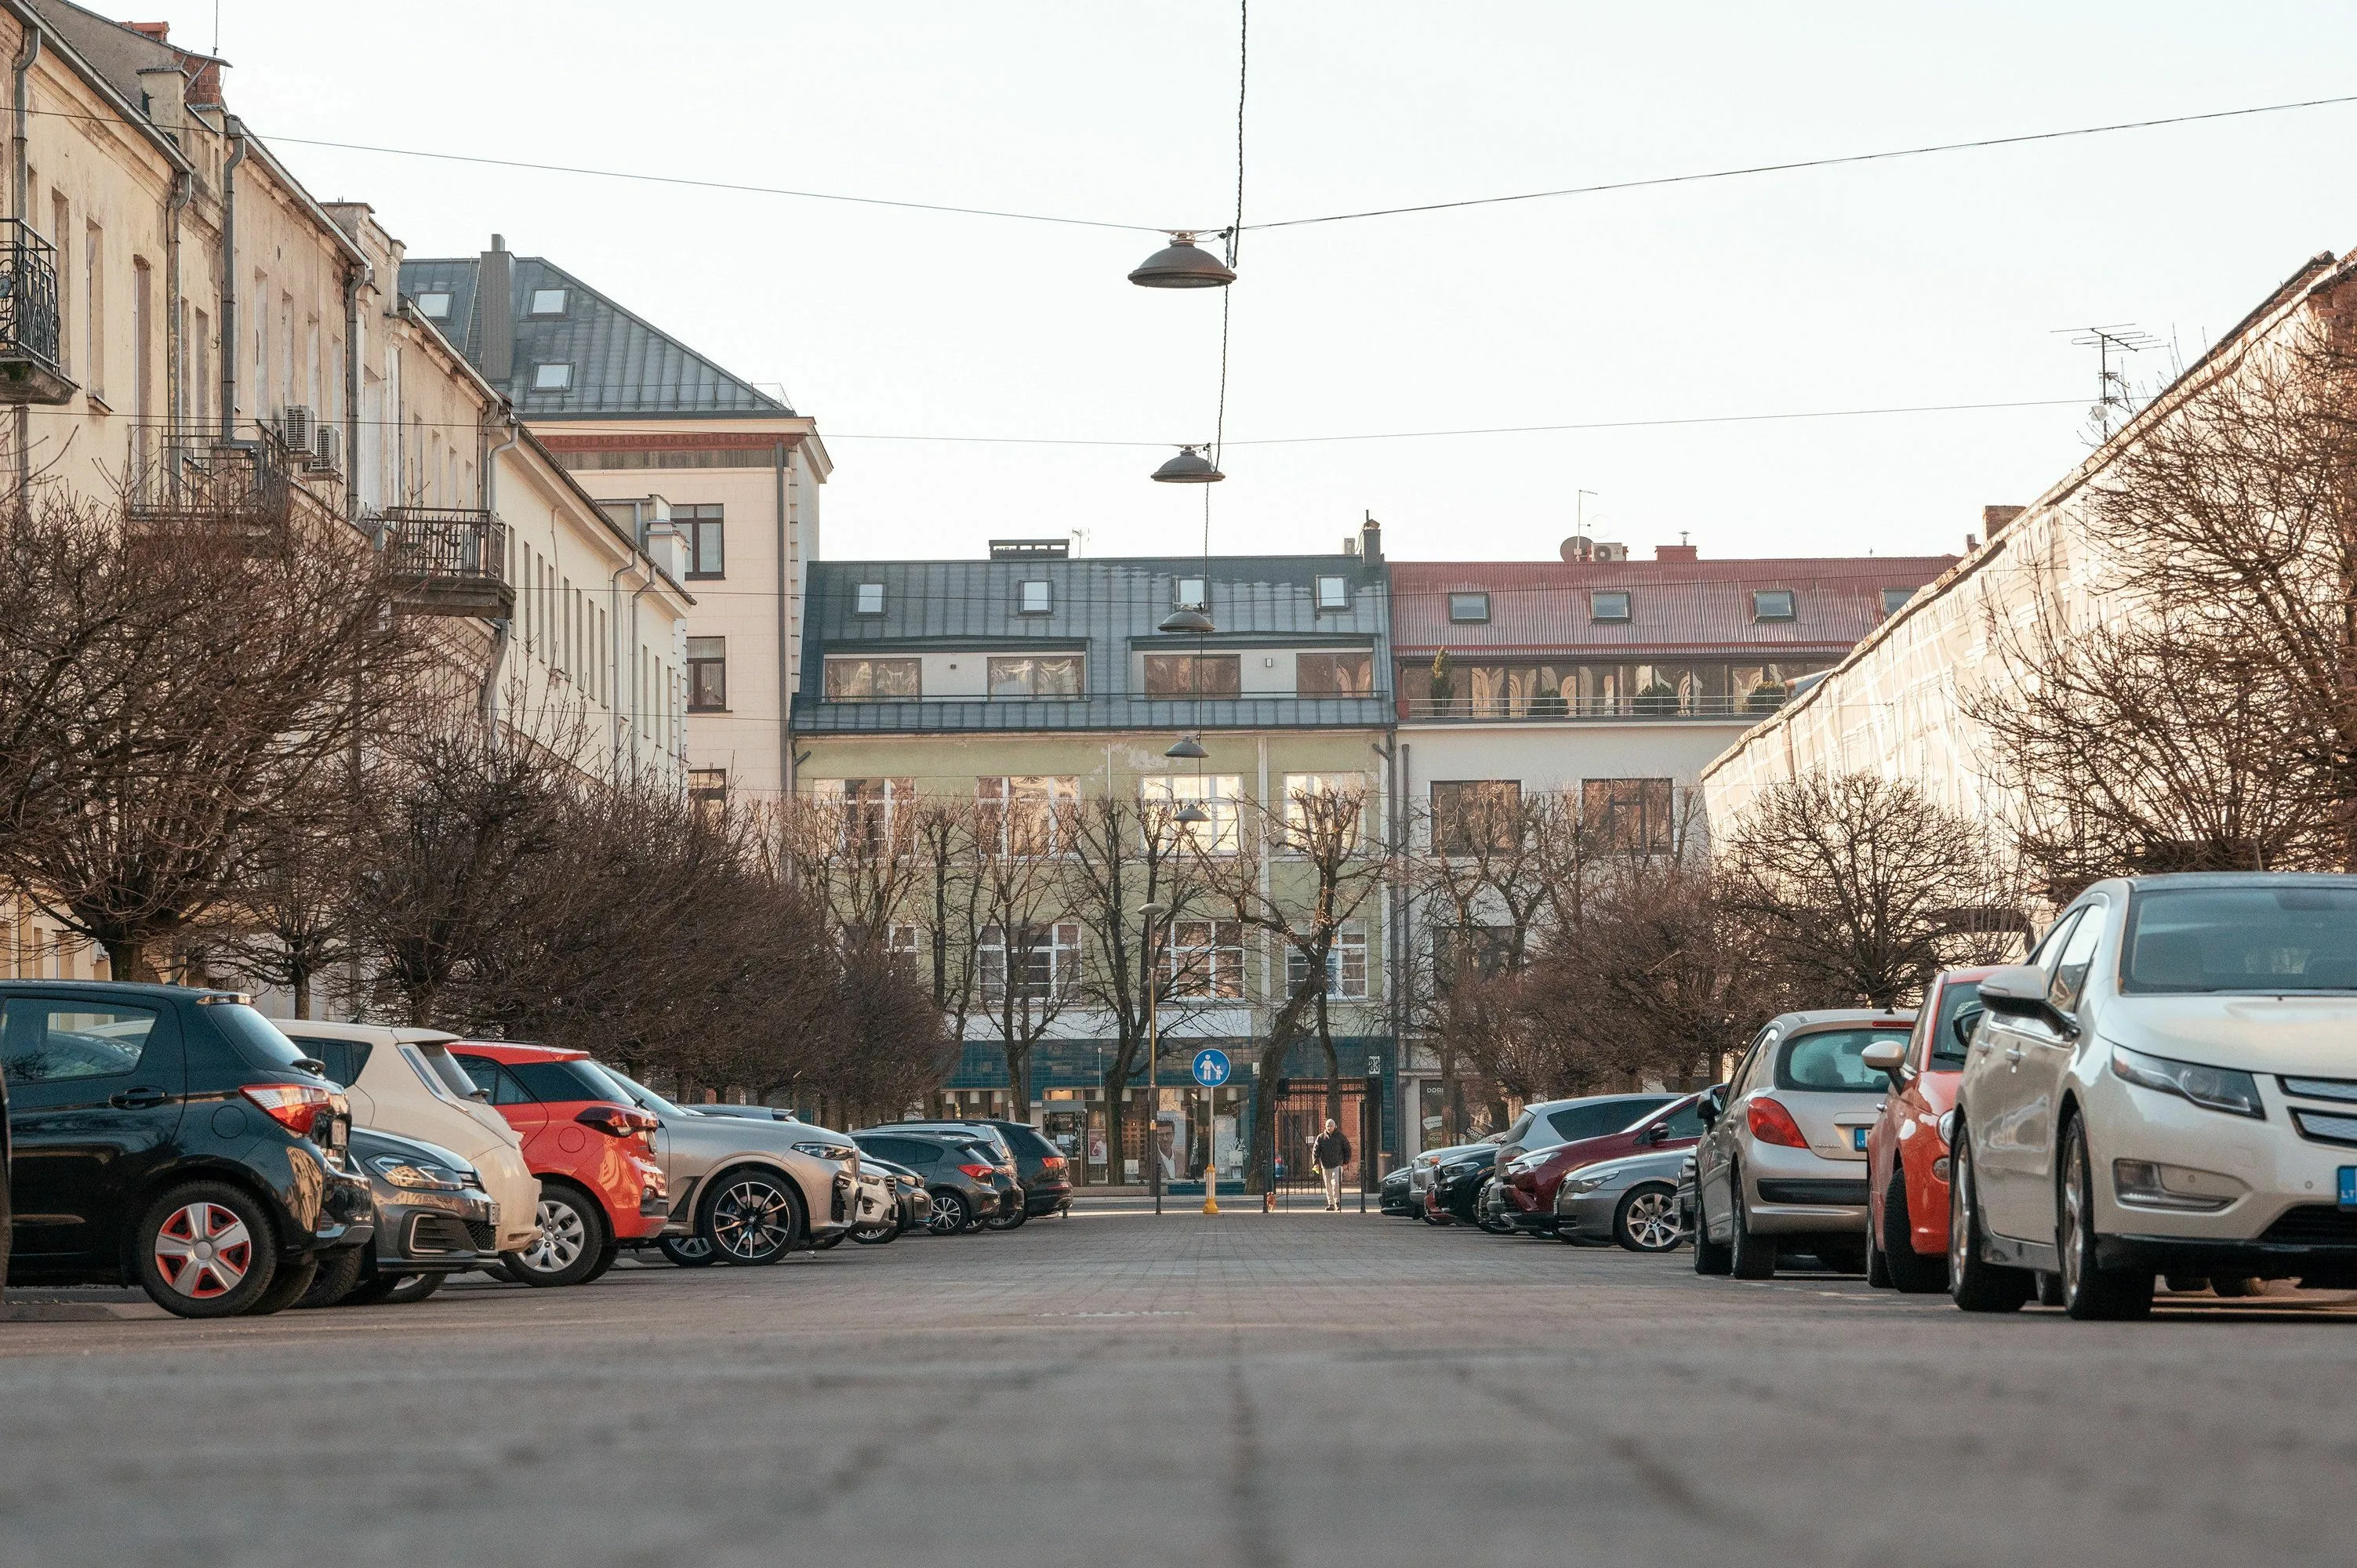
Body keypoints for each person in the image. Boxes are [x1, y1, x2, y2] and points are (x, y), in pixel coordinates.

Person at [1310, 1119, 1353, 1211]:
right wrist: (1316, 1163)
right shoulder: (1321, 1137)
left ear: (1335, 1126)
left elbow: (1347, 1149)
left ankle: (1337, 1202)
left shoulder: (1341, 1137)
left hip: (1337, 1164)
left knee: (1336, 1183)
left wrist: (1346, 1162)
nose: (1330, 1128)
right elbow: (1315, 1151)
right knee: (1328, 1185)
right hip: (1325, 1165)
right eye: (1328, 1126)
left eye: (1331, 1126)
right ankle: (1331, 1203)